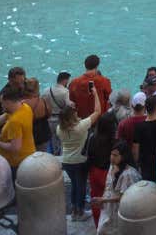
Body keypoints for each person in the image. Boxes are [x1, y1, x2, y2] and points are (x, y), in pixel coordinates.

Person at [58, 77, 102, 221]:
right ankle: (81, 212)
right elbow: (97, 111)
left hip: (66, 161)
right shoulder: (80, 126)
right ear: (72, 116)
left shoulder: (60, 128)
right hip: (80, 161)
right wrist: (95, 93)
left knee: (74, 185)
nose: (77, 113)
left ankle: (74, 212)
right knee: (81, 186)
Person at [94, 140, 142, 235]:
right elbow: (107, 186)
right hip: (108, 207)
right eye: (111, 154)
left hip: (119, 209)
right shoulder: (112, 166)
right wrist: (102, 200)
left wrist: (103, 200)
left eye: (115, 155)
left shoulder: (128, 174)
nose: (112, 157)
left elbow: (123, 197)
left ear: (124, 156)